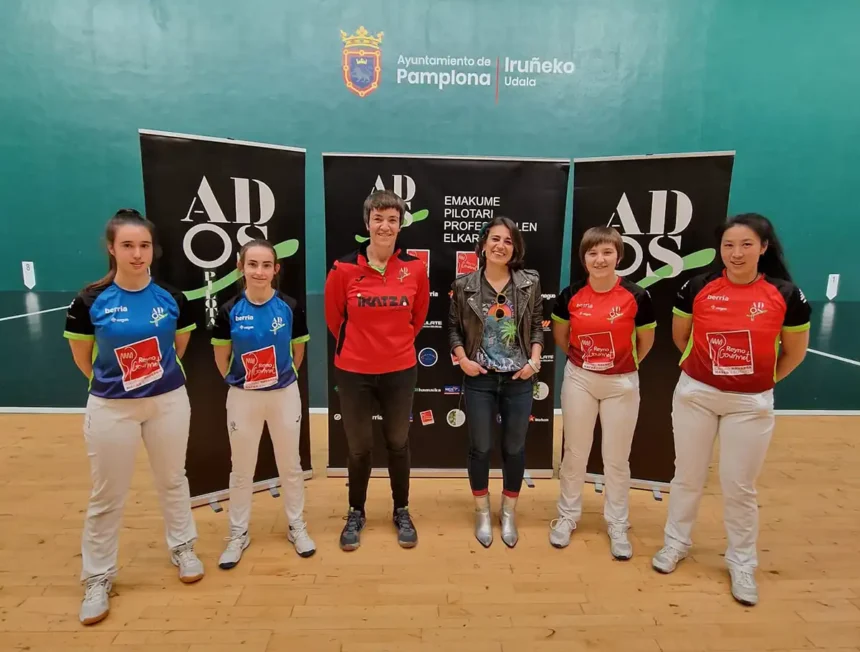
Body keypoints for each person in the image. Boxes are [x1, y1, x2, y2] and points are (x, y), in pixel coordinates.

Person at [651, 213, 811, 606]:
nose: (736, 253)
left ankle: (742, 562)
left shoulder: (787, 295)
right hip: (696, 395)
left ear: (764, 247)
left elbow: (794, 353)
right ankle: (675, 544)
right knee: (686, 476)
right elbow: (681, 337)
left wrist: (758, 382)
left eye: (746, 245)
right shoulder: (697, 287)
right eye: (728, 246)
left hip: (750, 404)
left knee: (739, 486)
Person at [63, 209, 203, 626]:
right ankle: (98, 576)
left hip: (168, 402)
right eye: (127, 245)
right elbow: (83, 358)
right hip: (111, 408)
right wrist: (120, 386)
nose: (137, 254)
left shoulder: (172, 298)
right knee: (107, 494)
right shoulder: (89, 301)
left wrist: (150, 382)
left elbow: (177, 348)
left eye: (143, 246)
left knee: (173, 479)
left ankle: (183, 547)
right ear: (112, 249)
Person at [324, 189, 430, 551]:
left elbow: (418, 318)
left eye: (392, 219)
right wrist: (362, 350)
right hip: (353, 373)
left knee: (398, 443)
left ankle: (401, 509)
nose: (385, 226)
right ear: (367, 223)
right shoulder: (343, 268)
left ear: (401, 225)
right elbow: (334, 318)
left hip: (400, 371)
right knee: (358, 448)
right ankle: (356, 511)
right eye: (378, 218)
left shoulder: (415, 268)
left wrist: (393, 348)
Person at [548, 226, 656, 558]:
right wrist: (587, 363)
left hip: (621, 384)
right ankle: (567, 516)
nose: (600, 259)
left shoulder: (638, 296)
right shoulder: (570, 296)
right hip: (580, 379)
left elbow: (644, 343)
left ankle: (617, 523)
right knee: (575, 453)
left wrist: (616, 365)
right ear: (584, 258)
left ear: (618, 256)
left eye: (607, 252)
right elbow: (562, 337)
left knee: (616, 459)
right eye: (592, 253)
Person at [211, 239, 315, 568]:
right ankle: (238, 533)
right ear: (241, 268)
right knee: (242, 469)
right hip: (243, 398)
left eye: (266, 265)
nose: (259, 271)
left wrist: (281, 378)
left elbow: (298, 350)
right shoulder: (228, 310)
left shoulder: (289, 306)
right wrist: (245, 382)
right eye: (252, 264)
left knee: (291, 466)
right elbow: (221, 356)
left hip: (284, 394)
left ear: (275, 269)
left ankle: (296, 526)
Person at [448, 217, 544, 548]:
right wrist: (463, 359)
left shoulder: (529, 282)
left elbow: (536, 325)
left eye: (508, 241)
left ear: (515, 248)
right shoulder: (464, 285)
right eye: (495, 239)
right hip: (481, 379)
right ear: (484, 243)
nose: (501, 245)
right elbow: (453, 329)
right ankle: (481, 512)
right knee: (481, 447)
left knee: (514, 448)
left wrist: (534, 360)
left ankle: (508, 512)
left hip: (519, 379)